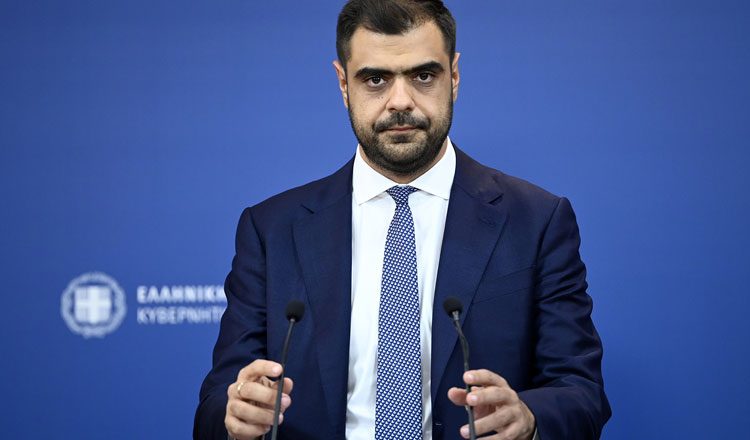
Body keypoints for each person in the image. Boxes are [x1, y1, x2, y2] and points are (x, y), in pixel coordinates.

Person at [194, 1, 611, 439]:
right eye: (375, 79)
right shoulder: (272, 229)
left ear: (454, 76)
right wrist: (235, 417)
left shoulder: (536, 221)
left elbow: (581, 392)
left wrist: (529, 419)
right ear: (343, 84)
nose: (400, 101)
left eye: (423, 76)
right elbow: (215, 405)